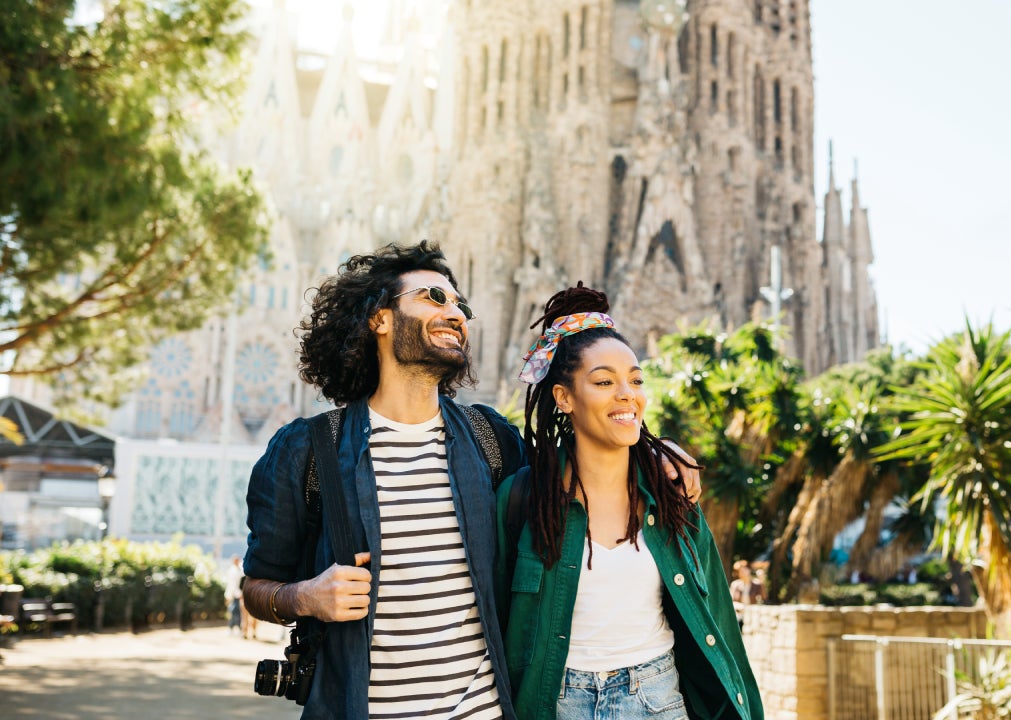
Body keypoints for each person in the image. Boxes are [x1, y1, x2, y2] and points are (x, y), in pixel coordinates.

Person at [241, 241, 698, 719]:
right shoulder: (310, 451)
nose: (455, 313)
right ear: (380, 319)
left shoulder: (490, 440)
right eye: (434, 297)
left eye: (461, 305)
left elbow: (582, 471)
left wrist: (656, 453)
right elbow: (257, 587)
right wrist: (305, 597)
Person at [496, 283, 764, 720]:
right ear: (564, 398)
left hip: (657, 699)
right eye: (604, 381)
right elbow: (496, 621)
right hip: (557, 703)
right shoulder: (524, 499)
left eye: (636, 380)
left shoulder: (672, 494)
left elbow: (718, 618)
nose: (627, 393)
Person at [225, 555, 244, 636]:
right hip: (233, 595)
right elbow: (232, 585)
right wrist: (238, 594)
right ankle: (232, 628)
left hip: (237, 595)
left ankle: (236, 628)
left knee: (237, 612)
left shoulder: (239, 569)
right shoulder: (232, 570)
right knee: (233, 612)